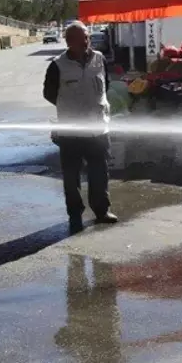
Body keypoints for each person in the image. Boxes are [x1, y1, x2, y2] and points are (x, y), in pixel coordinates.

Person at [43, 21, 118, 233]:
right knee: (71, 177)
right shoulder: (57, 66)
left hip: (98, 128)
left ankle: (102, 211)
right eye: (80, 39)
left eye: (87, 37)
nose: (86, 42)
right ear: (68, 42)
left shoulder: (99, 59)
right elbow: (49, 94)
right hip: (71, 132)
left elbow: (107, 85)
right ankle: (75, 215)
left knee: (100, 172)